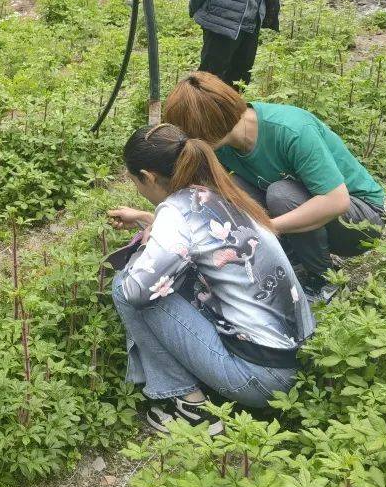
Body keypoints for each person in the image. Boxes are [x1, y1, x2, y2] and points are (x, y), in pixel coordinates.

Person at [108, 123, 314, 435]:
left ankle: (187, 406)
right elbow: (200, 237)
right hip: (298, 359)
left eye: (136, 180)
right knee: (175, 278)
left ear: (148, 177)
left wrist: (142, 249)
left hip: (260, 378)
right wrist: (149, 219)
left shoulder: (176, 213)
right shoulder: (218, 192)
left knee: (125, 286)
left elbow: (137, 290)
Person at [165, 72, 386, 303]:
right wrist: (155, 222)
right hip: (309, 210)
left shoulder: (290, 130)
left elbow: (336, 201)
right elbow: (196, 193)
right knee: (228, 189)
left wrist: (267, 227)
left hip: (361, 220)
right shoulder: (221, 146)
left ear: (209, 126)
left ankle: (322, 278)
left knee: (281, 193)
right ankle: (293, 263)